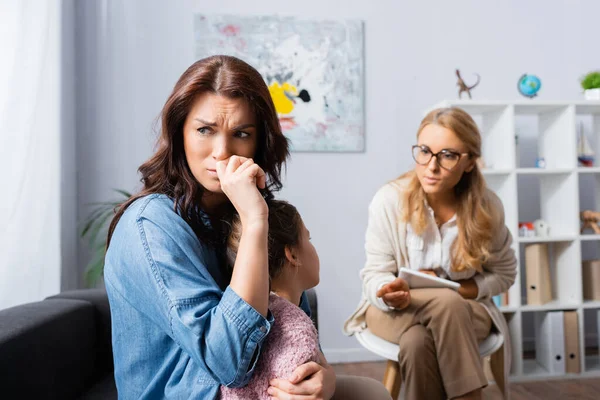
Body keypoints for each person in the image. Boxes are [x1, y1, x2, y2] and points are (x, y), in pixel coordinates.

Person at [104, 55, 390, 400]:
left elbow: (290, 313)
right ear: (180, 133)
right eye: (204, 130)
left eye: (241, 134)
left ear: (259, 142)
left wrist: (324, 377)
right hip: (194, 393)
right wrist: (255, 222)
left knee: (370, 391)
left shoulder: (244, 207)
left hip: (259, 386)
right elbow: (229, 364)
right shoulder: (151, 226)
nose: (222, 152)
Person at [344, 107, 517, 400]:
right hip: (393, 312)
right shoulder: (389, 200)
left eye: (448, 155)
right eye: (424, 151)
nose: (431, 166)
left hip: (465, 311)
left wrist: (460, 289)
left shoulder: (488, 207)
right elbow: (374, 274)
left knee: (419, 340)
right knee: (444, 308)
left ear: (471, 162)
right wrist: (388, 290)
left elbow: (504, 273)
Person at [220, 199, 320, 399]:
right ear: (292, 254)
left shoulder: (240, 318)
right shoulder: (297, 331)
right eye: (309, 238)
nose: (313, 247)